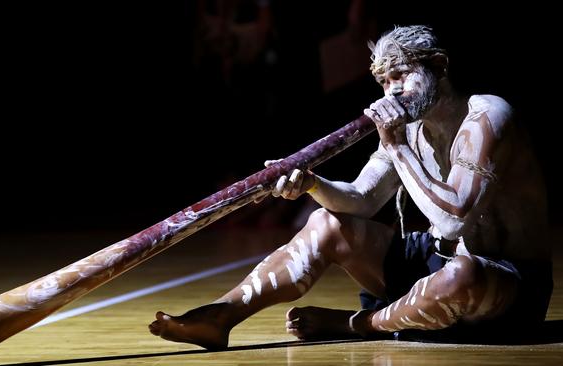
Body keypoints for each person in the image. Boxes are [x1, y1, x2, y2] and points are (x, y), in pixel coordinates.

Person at [148, 25, 551, 348]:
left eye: (401, 75)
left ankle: (358, 323)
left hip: (506, 284)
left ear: (440, 67)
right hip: (437, 261)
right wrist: (311, 183)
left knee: (462, 275)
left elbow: (452, 222)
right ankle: (221, 315)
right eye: (383, 81)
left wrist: (394, 146)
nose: (391, 91)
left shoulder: (487, 116)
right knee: (327, 222)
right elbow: (361, 199)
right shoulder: (407, 130)